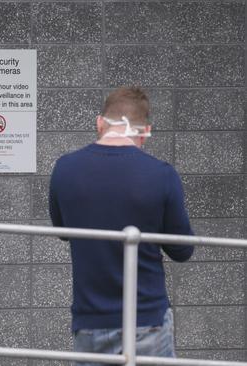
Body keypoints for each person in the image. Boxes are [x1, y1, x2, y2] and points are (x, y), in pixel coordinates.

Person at [48, 86, 194, 364]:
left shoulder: (65, 169)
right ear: (145, 131)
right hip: (147, 317)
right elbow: (182, 251)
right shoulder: (161, 175)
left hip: (89, 321)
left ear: (100, 123)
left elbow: (62, 229)